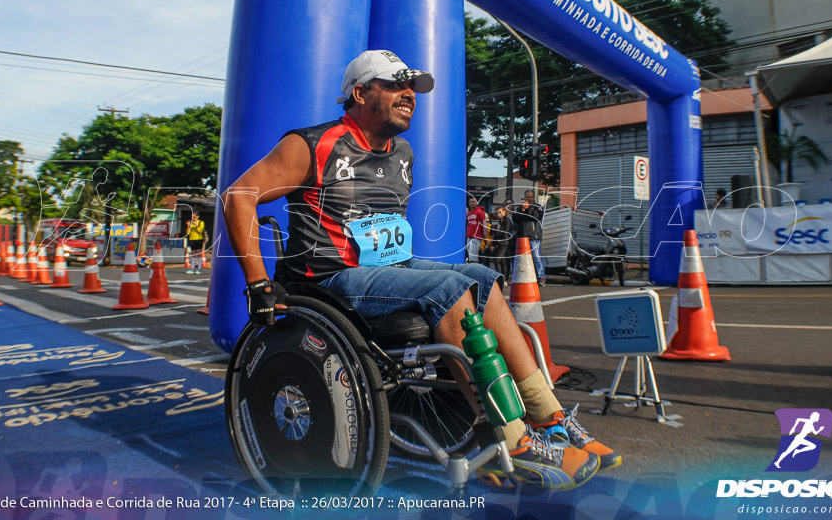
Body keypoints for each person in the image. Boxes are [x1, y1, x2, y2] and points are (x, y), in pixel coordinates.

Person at [222, 49, 619, 492]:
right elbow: (239, 197)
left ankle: (551, 418)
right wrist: (258, 284)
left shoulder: (403, 153)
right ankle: (508, 438)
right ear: (359, 93)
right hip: (328, 279)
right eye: (394, 85)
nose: (409, 93)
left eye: (412, 87)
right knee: (447, 288)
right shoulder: (312, 143)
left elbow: (387, 232)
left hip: (387, 270)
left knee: (481, 277)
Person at [511, 190, 546, 286]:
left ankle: (541, 277)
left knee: (537, 258)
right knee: (521, 258)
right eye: (527, 197)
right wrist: (522, 210)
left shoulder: (538, 207)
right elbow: (515, 219)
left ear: (533, 198)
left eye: (530, 197)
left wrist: (527, 209)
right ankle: (522, 277)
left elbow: (536, 216)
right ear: (524, 197)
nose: (529, 199)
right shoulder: (519, 208)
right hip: (522, 237)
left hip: (534, 236)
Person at [485, 204, 515, 279]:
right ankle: (503, 277)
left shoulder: (506, 220)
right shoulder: (500, 221)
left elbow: (505, 232)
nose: (498, 215)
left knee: (496, 259)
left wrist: (496, 233)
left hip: (504, 243)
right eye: (497, 213)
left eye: (500, 212)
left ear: (504, 212)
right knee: (502, 261)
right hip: (500, 243)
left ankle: (500, 277)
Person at [465, 196, 487, 263]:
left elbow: (484, 225)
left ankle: (474, 271)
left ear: (477, 202)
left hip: (476, 237)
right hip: (469, 237)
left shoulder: (480, 212)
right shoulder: (470, 213)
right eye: (470, 202)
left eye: (473, 202)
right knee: (470, 256)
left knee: (473, 257)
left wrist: (484, 237)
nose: (471, 203)